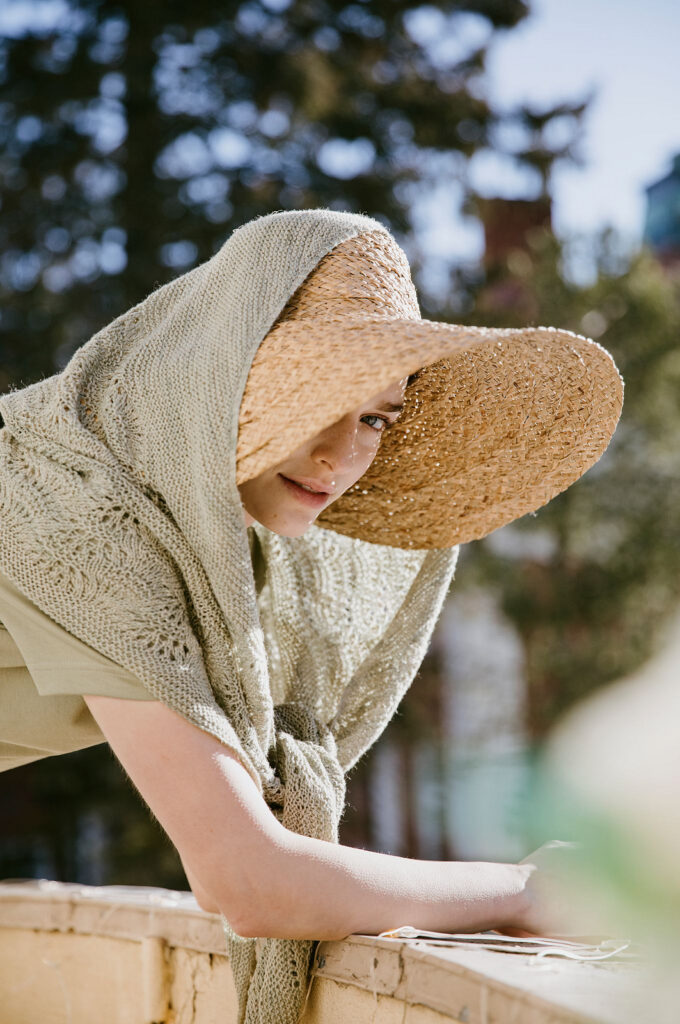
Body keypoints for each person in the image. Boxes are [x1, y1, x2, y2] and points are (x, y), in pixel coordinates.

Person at [0, 208, 624, 1024]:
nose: (342, 455)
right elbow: (250, 881)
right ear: (221, 377)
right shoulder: (75, 510)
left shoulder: (190, 538)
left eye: (376, 416)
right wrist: (530, 890)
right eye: (313, 398)